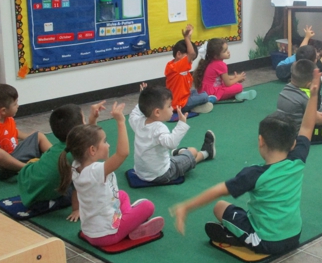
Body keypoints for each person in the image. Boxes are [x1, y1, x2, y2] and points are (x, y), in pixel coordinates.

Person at [170, 68, 320, 255]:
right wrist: (313, 95)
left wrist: (186, 207)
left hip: (266, 242)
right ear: (293, 144)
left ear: (260, 142)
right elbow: (307, 127)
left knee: (220, 207)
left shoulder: (254, 174)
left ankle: (235, 236)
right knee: (246, 211)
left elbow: (217, 191)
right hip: (294, 235)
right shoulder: (297, 159)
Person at [57, 102, 164, 246]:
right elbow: (123, 153)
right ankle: (132, 228)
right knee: (147, 206)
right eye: (105, 142)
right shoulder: (96, 171)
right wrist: (120, 121)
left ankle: (129, 222)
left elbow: (86, 140)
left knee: (122, 195)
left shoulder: (76, 164)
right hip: (107, 236)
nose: (108, 145)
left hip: (89, 231)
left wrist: (92, 120)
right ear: (93, 150)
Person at [17, 101, 106, 219]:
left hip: (26, 181)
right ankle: (50, 203)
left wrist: (92, 119)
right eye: (84, 120)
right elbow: (79, 187)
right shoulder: (77, 155)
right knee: (90, 190)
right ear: (78, 131)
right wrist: (77, 210)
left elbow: (88, 138)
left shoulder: (62, 148)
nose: (86, 124)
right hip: (38, 200)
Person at [129, 85, 216, 184]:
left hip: (141, 173)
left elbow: (134, 113)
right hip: (162, 173)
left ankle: (179, 153)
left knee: (177, 153)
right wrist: (182, 123)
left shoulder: (137, 121)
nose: (172, 108)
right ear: (157, 112)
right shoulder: (159, 128)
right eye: (169, 106)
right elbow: (171, 143)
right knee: (193, 151)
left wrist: (144, 98)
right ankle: (206, 153)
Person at [0, 83, 52, 180]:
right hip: (0, 168)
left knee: (38, 135)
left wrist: (30, 138)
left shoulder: (9, 119)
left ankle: (57, 158)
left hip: (16, 157)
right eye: (15, 104)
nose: (18, 106)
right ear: (3, 111)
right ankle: (28, 168)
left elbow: (14, 132)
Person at [165, 24, 216, 114]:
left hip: (183, 97)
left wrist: (189, 38)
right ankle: (194, 107)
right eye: (190, 59)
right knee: (204, 95)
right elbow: (191, 53)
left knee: (199, 91)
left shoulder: (175, 65)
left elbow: (190, 52)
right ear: (179, 54)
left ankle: (198, 103)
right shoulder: (177, 67)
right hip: (179, 104)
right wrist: (186, 38)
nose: (191, 61)